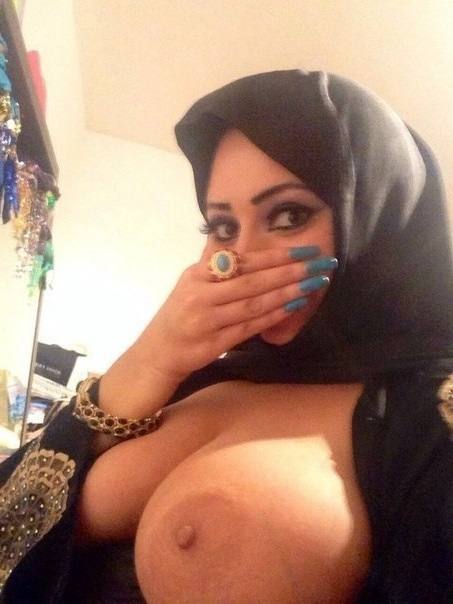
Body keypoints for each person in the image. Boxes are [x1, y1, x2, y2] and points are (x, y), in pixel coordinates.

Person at [0, 69, 452, 603]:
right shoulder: (204, 379)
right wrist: (151, 359)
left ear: (379, 218)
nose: (237, 260)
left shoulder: (431, 419)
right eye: (222, 227)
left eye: (288, 215)